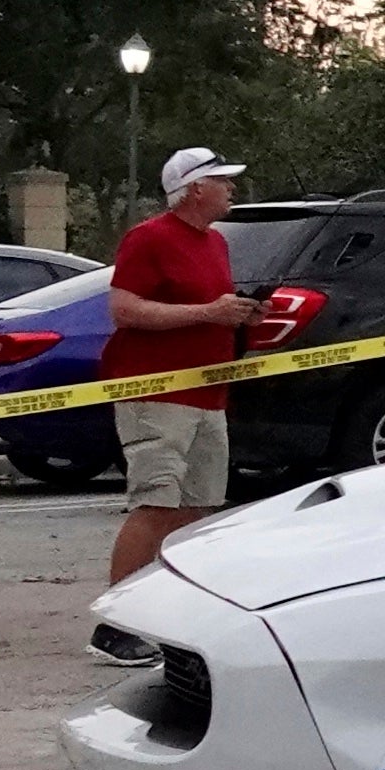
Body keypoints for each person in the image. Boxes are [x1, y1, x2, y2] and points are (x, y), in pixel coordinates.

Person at [103, 146, 262, 584]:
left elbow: (208, 307)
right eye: (222, 180)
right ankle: (115, 624)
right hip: (157, 395)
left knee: (199, 508)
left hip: (209, 395)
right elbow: (125, 310)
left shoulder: (216, 242)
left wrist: (240, 315)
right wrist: (207, 313)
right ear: (194, 189)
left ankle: (169, 607)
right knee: (155, 505)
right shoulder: (149, 237)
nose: (231, 188)